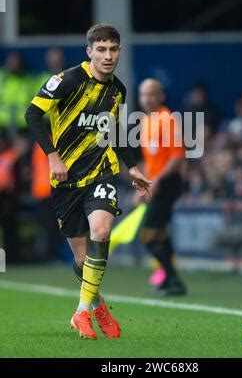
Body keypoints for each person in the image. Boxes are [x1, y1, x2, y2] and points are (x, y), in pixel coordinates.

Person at [25, 23, 151, 340]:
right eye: (102, 49)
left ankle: (80, 311)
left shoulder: (117, 90)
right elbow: (32, 114)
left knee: (102, 230)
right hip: (66, 182)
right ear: (89, 51)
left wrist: (132, 167)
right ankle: (98, 308)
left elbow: (116, 130)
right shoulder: (67, 80)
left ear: (119, 51)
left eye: (113, 49)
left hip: (101, 172)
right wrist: (53, 156)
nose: (108, 56)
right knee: (83, 262)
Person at [138, 78, 186, 296]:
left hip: (168, 183)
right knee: (159, 234)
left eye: (151, 94)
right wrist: (144, 185)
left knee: (148, 235)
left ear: (161, 96)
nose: (146, 99)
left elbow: (177, 157)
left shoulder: (168, 119)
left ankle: (173, 278)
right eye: (143, 95)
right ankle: (170, 280)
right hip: (157, 183)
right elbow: (152, 162)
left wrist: (156, 181)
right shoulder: (146, 121)